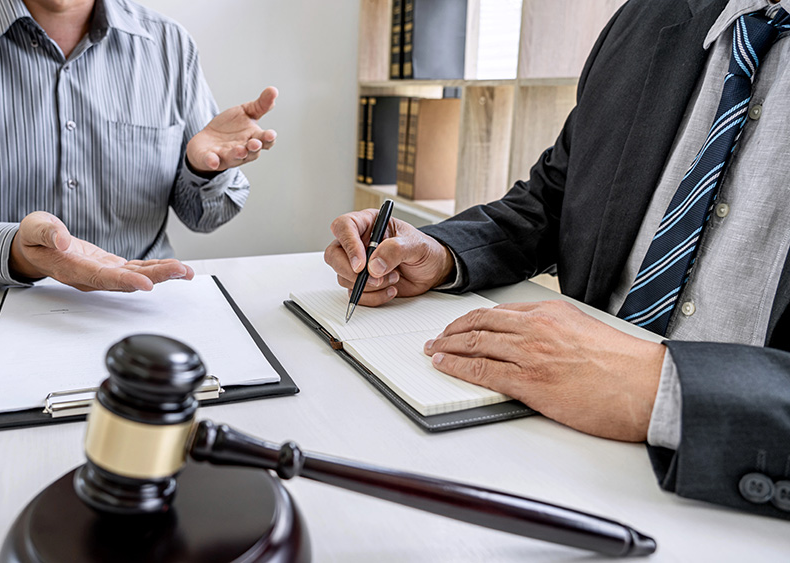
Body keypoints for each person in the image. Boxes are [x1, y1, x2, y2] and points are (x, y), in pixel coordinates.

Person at [325, 0, 790, 519]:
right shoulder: (646, 17)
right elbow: (553, 199)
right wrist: (440, 253)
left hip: (740, 495)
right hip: (552, 439)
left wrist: (665, 387)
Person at [0, 0, 277, 292]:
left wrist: (205, 172)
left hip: (148, 305)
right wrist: (9, 250)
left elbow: (206, 214)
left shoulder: (169, 44)